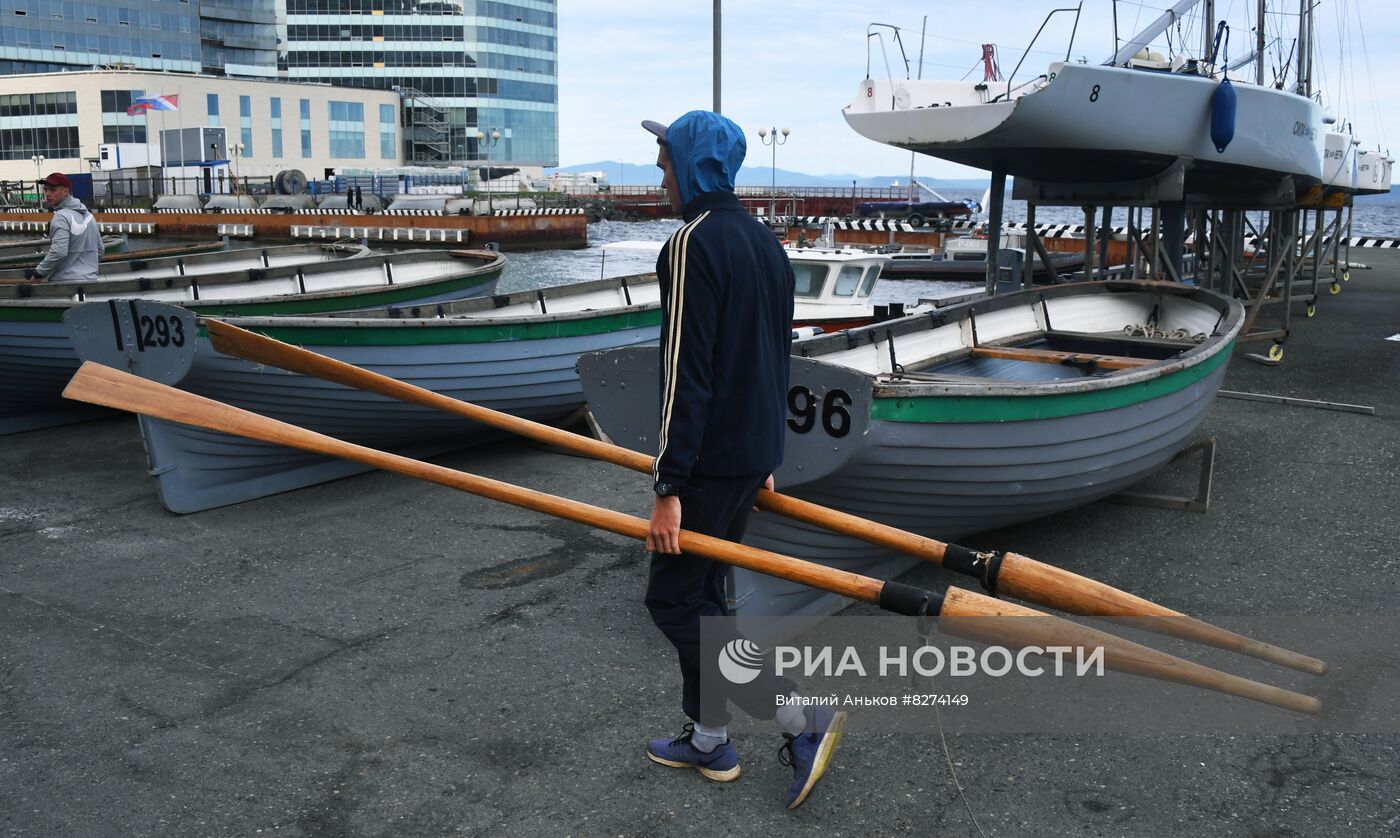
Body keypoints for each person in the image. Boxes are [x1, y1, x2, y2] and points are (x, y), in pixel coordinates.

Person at [639, 110, 845, 811]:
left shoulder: (693, 243)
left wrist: (669, 482)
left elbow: (683, 375)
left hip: (707, 462)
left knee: (671, 602)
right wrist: (767, 452)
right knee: (705, 601)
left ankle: (798, 713)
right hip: (747, 455)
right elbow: (774, 359)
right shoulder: (766, 244)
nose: (659, 173)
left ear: (692, 164)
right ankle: (707, 740)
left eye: (665, 160)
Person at [24, 173, 102, 283]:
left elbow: (59, 251)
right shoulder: (89, 216)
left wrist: (38, 273)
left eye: (52, 190)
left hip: (66, 283)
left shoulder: (61, 217)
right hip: (91, 281)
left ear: (65, 191)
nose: (47, 194)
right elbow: (100, 249)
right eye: (45, 190)